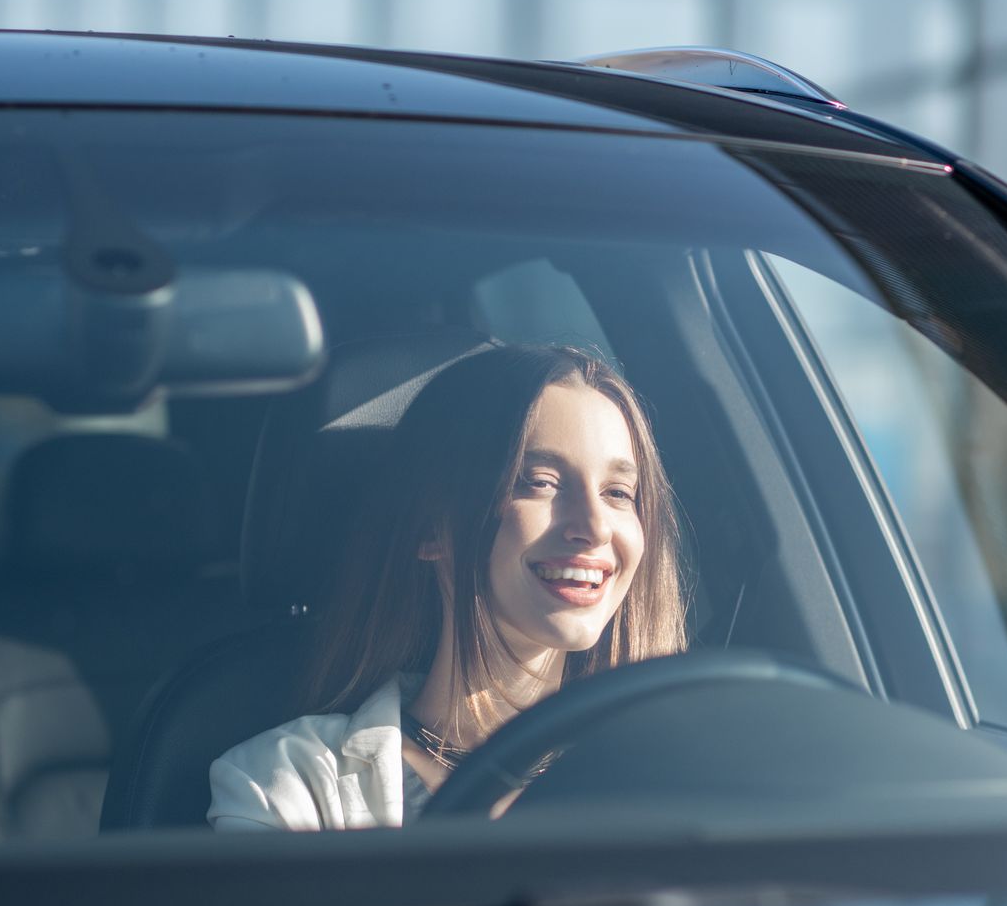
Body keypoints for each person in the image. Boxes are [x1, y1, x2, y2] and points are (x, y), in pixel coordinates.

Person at [208, 342, 689, 832]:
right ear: (429, 529)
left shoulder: (678, 775)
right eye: (538, 482)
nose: (595, 526)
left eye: (618, 493)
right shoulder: (292, 785)